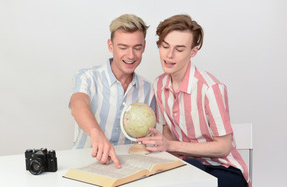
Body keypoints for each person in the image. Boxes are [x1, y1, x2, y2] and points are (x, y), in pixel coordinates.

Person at [137, 14, 250, 187]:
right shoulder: (159, 85)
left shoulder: (210, 88)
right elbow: (168, 131)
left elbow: (224, 147)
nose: (169, 55)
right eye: (165, 46)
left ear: (193, 51)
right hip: (189, 165)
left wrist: (170, 145)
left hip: (223, 168)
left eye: (179, 49)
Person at [69, 14, 156, 169]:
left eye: (137, 48)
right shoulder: (88, 77)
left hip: (124, 167)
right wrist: (96, 132)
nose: (130, 55)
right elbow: (77, 103)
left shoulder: (149, 90)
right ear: (110, 46)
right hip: (85, 163)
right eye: (123, 48)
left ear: (143, 47)